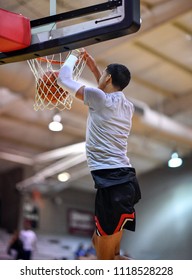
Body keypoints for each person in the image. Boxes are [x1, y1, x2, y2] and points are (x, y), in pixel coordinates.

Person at [57, 49, 141, 260]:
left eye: (103, 74)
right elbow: (103, 92)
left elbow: (63, 79)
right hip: (123, 182)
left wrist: (74, 55)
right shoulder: (127, 105)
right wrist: (94, 67)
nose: (100, 78)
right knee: (104, 249)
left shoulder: (100, 99)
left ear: (109, 78)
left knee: (104, 260)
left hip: (113, 182)